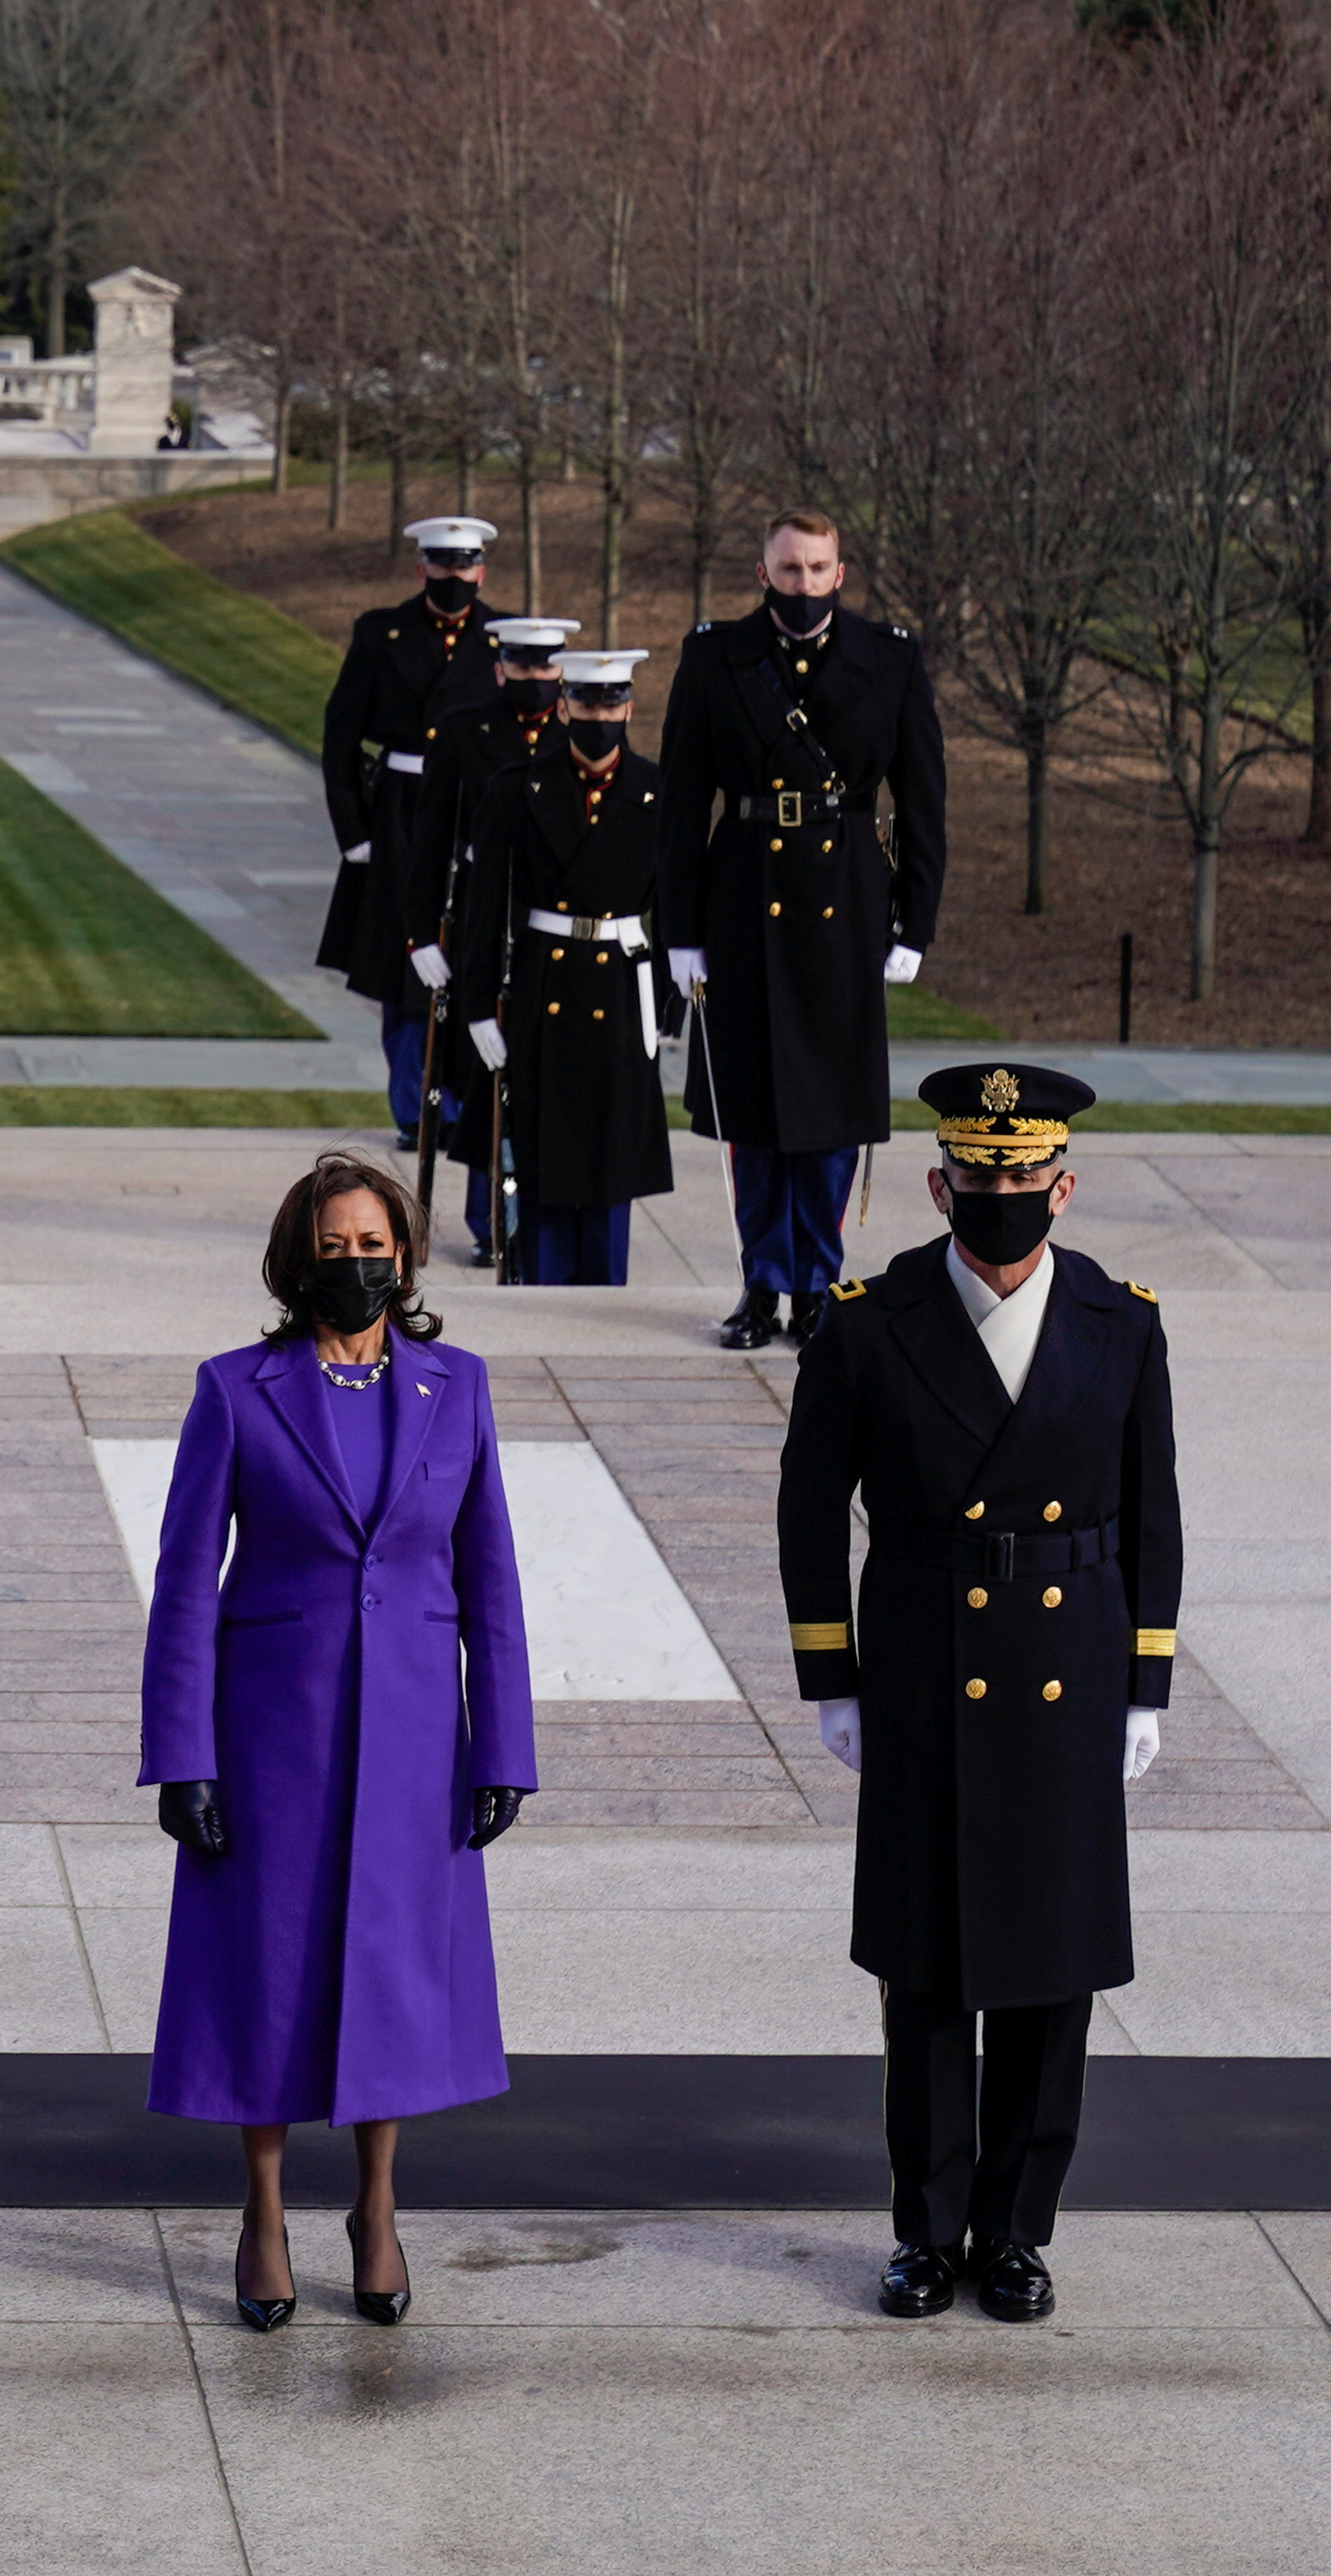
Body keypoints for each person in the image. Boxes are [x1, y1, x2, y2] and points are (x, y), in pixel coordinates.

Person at [776, 1062, 1177, 2325]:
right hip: (922, 1666)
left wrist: (1144, 1683)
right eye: (978, 1177)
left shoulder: (1121, 1323)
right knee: (929, 1970)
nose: (1001, 1198)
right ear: (939, 1183)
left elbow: (1153, 1511)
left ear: (1062, 1185)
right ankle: (927, 2227)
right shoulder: (863, 1319)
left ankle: (1014, 2230)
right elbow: (806, 1510)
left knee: (1051, 1972)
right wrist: (829, 1677)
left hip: (1070, 1665)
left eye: (1024, 1178)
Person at [138, 1152, 534, 2331]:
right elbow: (183, 1585)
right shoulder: (234, 1388)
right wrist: (181, 1755)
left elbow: (490, 1577)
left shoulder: (456, 1389)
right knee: (267, 1970)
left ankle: (375, 2205)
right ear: (295, 1255)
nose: (354, 1265)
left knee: (391, 1975)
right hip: (271, 1732)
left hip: (415, 1736)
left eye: (373, 1247)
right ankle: (261, 2212)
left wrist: (501, 1747)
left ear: (405, 1258)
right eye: (333, 1246)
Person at [656, 509, 948, 1351]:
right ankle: (760, 1283)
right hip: (741, 898)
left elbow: (923, 803)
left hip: (846, 903)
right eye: (789, 570)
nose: (805, 585)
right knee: (753, 1115)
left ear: (841, 572)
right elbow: (680, 804)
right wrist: (679, 930)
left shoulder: (889, 659)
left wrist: (913, 921)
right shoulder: (714, 656)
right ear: (763, 573)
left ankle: (817, 1282)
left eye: (819, 569)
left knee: (827, 1116)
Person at [452, 650, 679, 1285]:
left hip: (621, 984)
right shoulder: (515, 789)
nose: (599, 716)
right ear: (564, 706)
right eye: (585, 703)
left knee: (612, 1160)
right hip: (540, 984)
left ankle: (605, 1297)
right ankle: (542, 1287)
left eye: (611, 704)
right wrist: (476, 1004)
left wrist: (671, 1001)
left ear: (629, 708)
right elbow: (484, 908)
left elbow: (679, 908)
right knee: (545, 1157)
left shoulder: (658, 794)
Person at [398, 615, 577, 1263]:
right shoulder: (462, 733)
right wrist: (421, 933)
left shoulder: (577, 737)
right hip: (484, 920)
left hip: (553, 926)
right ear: (500, 669)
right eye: (523, 667)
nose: (535, 679)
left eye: (546, 667)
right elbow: (431, 839)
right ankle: (490, 1218)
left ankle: (540, 1215)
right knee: (486, 1071)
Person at [317, 518, 502, 1139]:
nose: (455, 578)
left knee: (469, 955)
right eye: (442, 566)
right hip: (400, 811)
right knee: (402, 970)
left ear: (481, 569)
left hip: (472, 812)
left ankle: (458, 1099)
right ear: (421, 567)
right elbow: (340, 736)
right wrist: (355, 833)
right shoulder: (380, 634)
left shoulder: (503, 641)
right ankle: (413, 1108)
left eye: (465, 566)